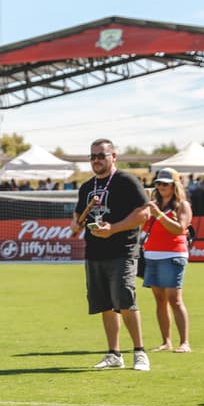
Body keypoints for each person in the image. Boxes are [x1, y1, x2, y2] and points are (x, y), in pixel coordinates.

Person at [70, 138, 151, 371]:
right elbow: (77, 218)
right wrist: (75, 225)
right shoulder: (87, 187)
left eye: (101, 156)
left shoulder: (126, 181)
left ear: (113, 157)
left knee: (125, 300)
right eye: (93, 156)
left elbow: (143, 213)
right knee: (105, 305)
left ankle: (139, 352)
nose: (96, 160)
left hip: (122, 251)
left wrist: (113, 229)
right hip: (94, 253)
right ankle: (114, 354)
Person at [142, 167, 192, 353]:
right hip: (152, 255)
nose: (161, 187)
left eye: (166, 184)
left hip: (173, 255)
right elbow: (143, 227)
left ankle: (184, 342)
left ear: (175, 186)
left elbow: (179, 229)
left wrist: (159, 215)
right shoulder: (154, 204)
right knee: (160, 300)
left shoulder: (182, 206)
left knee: (175, 299)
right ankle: (166, 341)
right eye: (159, 183)